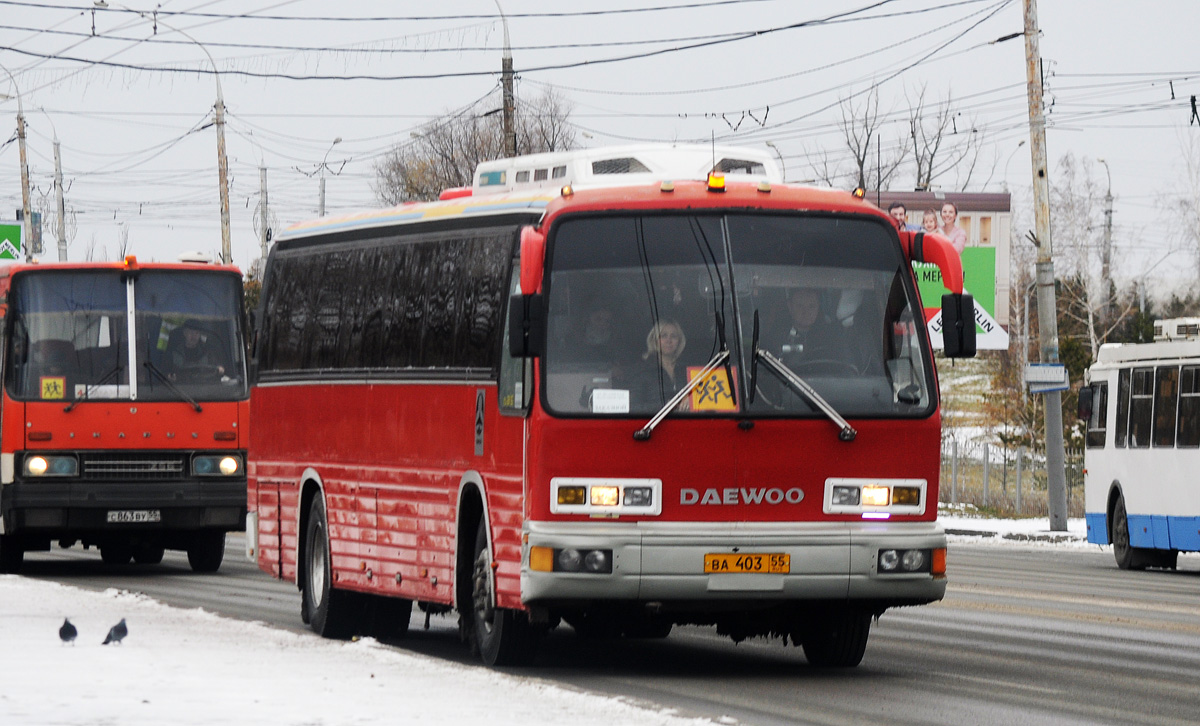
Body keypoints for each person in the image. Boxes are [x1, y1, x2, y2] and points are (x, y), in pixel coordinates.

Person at [629, 320, 691, 410]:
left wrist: (692, 399)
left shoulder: (687, 370)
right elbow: (633, 407)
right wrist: (664, 406)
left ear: (679, 341)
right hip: (655, 423)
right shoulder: (642, 370)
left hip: (687, 422)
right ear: (654, 340)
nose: (668, 340)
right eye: (663, 336)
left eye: (673, 336)